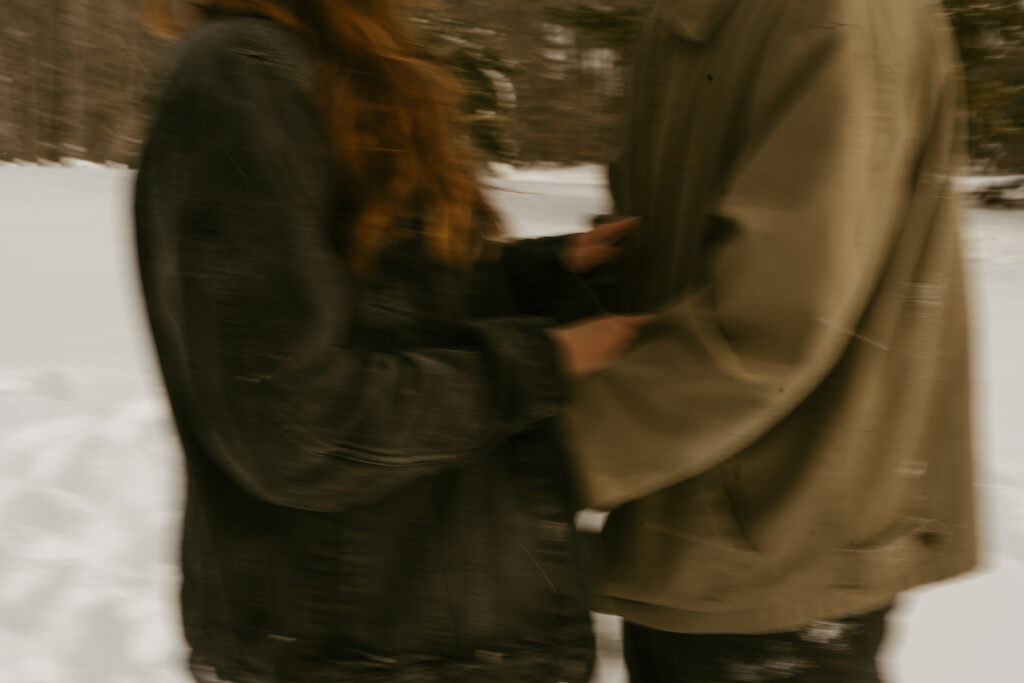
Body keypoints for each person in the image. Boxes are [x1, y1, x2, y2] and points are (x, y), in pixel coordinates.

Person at [134, 1, 647, 681]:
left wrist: (545, 272)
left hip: (422, 639)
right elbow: (294, 427)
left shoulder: (323, 60)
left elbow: (383, 293)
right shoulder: (242, 74)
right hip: (366, 654)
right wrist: (536, 364)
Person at [564, 0, 978, 680]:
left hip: (773, 537)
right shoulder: (696, 16)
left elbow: (771, 325)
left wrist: (549, 454)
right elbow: (664, 248)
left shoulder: (832, 16)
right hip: (697, 522)